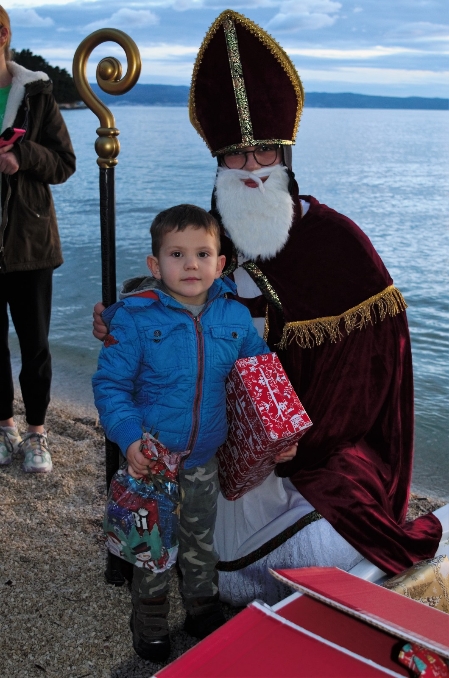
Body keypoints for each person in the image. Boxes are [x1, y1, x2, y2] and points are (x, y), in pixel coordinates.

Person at [94, 10, 442, 606]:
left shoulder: (338, 243)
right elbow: (169, 299)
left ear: (285, 154)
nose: (252, 169)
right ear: (218, 163)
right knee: (221, 569)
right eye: (236, 156)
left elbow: (377, 377)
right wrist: (123, 317)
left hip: (315, 452)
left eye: (263, 153)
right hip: (217, 450)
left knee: (319, 543)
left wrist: (303, 438)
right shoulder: (207, 240)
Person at [92, 203, 297, 661]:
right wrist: (128, 438)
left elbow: (264, 377)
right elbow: (111, 386)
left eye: (202, 254)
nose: (190, 265)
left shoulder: (234, 318)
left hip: (204, 458)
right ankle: (149, 615)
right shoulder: (135, 318)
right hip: (150, 460)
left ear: (220, 264)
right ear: (155, 265)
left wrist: (281, 433)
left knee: (200, 540)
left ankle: (201, 605)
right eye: (177, 254)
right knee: (153, 543)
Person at [0, 6, 76, 473]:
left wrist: (22, 156)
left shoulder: (37, 92)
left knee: (35, 345)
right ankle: (5, 428)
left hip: (30, 241)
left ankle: (36, 434)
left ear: (3, 33)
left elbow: (65, 163)